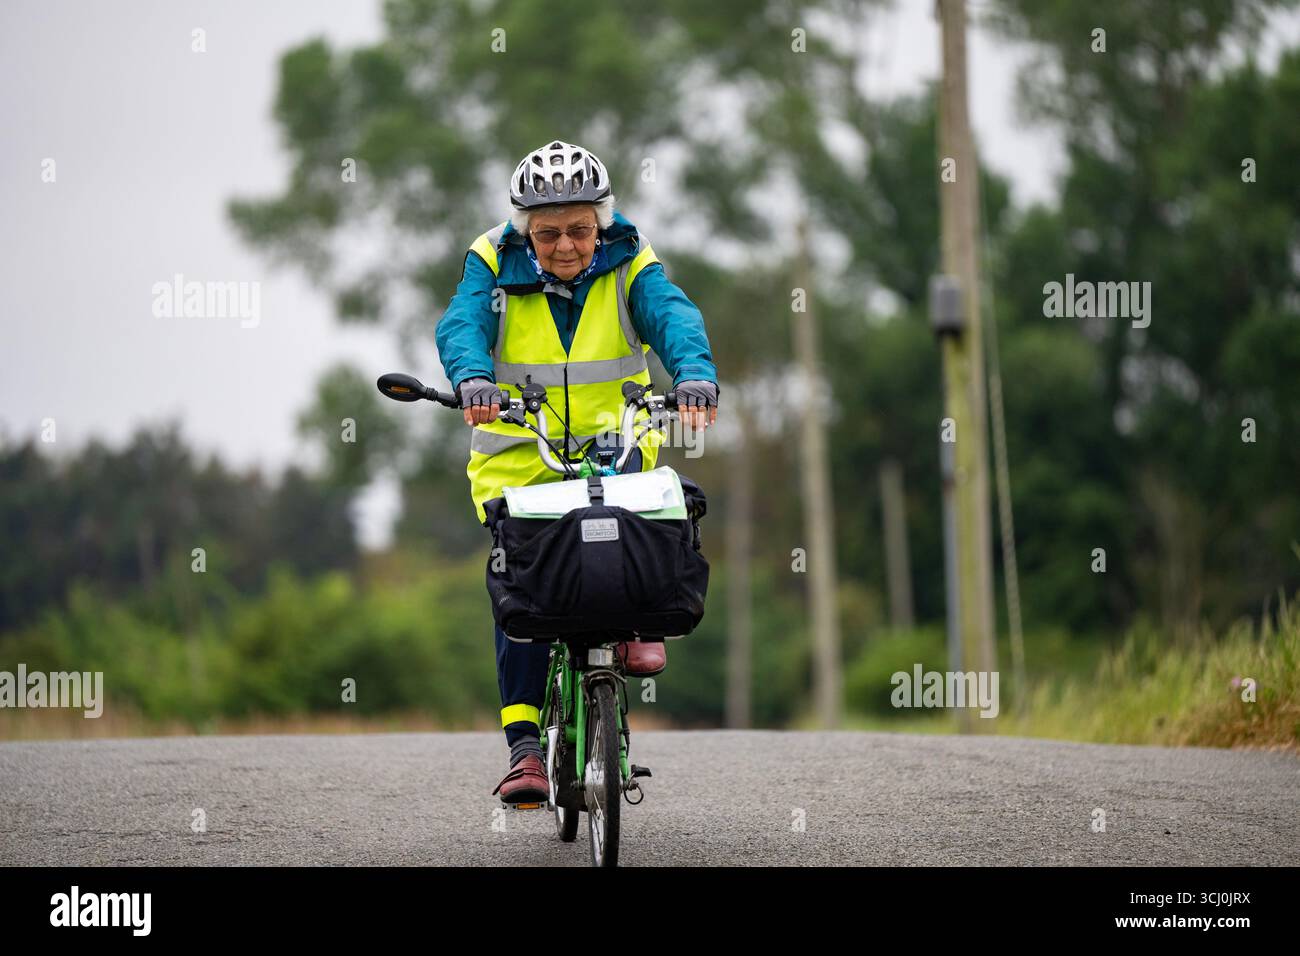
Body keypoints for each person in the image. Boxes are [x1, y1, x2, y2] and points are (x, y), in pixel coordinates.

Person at [434, 141, 719, 803]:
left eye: (580, 229)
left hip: (615, 455)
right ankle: (526, 750)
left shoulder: (629, 259)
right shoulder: (491, 260)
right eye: (548, 232)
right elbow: (462, 323)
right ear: (522, 228)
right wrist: (474, 379)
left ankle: (636, 625)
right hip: (521, 461)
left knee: (648, 529)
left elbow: (672, 315)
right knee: (525, 587)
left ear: (602, 222)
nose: (566, 245)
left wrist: (696, 376)